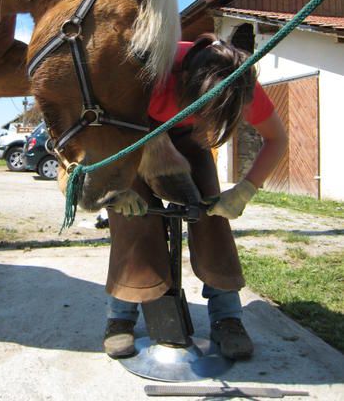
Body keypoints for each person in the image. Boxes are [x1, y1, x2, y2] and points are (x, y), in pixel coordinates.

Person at [103, 34, 287, 360]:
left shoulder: (241, 84)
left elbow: (277, 139)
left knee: (211, 214)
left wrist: (245, 190)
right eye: (206, 113)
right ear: (184, 81)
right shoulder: (142, 71)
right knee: (133, 221)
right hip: (131, 134)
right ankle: (120, 317)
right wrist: (114, 187)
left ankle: (227, 317)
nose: (208, 123)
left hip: (187, 139)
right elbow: (93, 129)